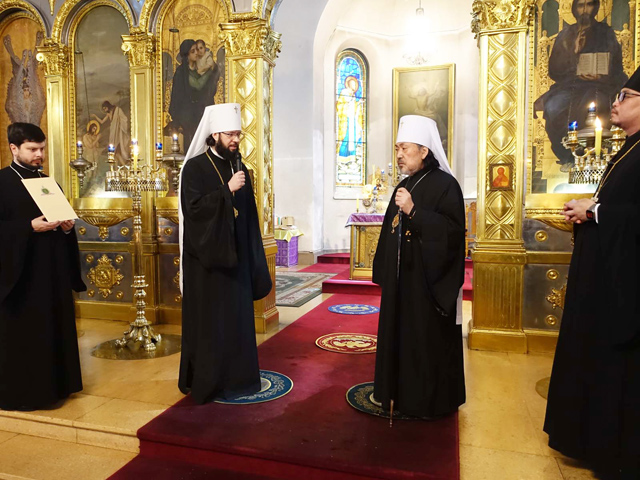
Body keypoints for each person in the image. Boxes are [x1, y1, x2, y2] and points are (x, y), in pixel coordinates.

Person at [544, 67, 640, 478]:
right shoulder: (628, 149)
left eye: (625, 96)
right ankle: (589, 440)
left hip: (625, 288)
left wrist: (595, 211)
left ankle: (613, 450)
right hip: (604, 280)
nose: (615, 102)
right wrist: (591, 209)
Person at [372, 115, 465, 418]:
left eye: (405, 148)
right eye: (397, 149)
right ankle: (395, 393)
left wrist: (414, 211)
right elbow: (389, 231)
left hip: (426, 284)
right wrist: (386, 272)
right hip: (401, 282)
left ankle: (425, 403)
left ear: (424, 151)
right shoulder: (404, 184)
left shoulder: (446, 185)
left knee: (423, 343)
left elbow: (452, 233)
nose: (399, 155)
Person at [178, 103, 272, 404]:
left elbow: (248, 217)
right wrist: (226, 191)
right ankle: (209, 383)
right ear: (215, 134)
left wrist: (252, 257)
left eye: (238, 134)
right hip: (207, 266)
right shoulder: (195, 168)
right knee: (212, 327)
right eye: (231, 134)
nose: (236, 140)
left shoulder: (239, 167)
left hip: (236, 263)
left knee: (237, 324)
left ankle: (239, 379)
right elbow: (193, 211)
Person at [0, 123, 85, 411]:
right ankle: (26, 394)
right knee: (27, 335)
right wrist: (28, 227)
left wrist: (66, 227)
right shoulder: (2, 183)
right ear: (14, 148)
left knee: (54, 329)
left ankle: (58, 386)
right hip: (20, 278)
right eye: (33, 149)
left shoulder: (49, 182)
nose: (39, 155)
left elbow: (62, 227)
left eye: (42, 148)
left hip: (52, 274)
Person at [534, 0, 627, 170]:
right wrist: (573, 53)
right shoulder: (565, 34)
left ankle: (594, 156)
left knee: (592, 104)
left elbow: (616, 65)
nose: (584, 10)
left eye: (589, 5)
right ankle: (567, 156)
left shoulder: (605, 32)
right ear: (574, 8)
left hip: (600, 85)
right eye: (580, 5)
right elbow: (554, 70)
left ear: (596, 7)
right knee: (553, 107)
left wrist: (601, 75)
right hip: (570, 85)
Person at [168, 39, 220, 153]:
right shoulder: (181, 72)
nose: (196, 53)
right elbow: (195, 86)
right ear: (187, 55)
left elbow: (209, 86)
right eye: (193, 51)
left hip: (201, 113)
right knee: (192, 146)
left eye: (197, 49)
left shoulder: (199, 69)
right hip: (188, 117)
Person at [91, 100, 129, 166]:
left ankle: (124, 166)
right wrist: (95, 116)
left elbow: (124, 118)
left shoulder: (117, 110)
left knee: (116, 151)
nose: (105, 110)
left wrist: (119, 123)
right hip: (112, 132)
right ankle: (117, 168)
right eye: (104, 109)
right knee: (114, 152)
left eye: (105, 108)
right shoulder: (108, 114)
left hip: (117, 132)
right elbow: (102, 122)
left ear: (108, 106)